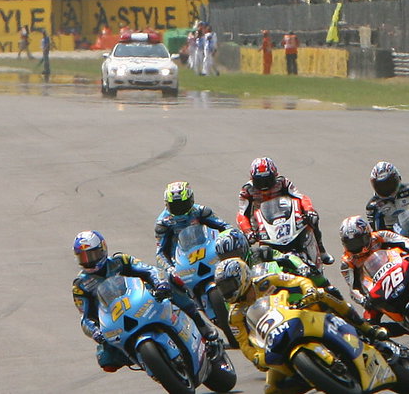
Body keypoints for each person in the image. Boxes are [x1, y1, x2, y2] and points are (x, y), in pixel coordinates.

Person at [215, 257, 386, 394]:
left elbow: (296, 281)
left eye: (229, 285)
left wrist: (309, 290)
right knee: (270, 389)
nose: (227, 292)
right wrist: (255, 357)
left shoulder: (265, 281)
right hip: (275, 341)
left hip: (297, 315)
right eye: (223, 288)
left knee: (324, 294)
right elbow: (244, 343)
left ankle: (366, 328)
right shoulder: (235, 315)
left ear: (242, 277)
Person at [71, 230, 221, 373]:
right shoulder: (80, 285)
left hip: (141, 301)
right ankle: (147, 362)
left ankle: (200, 324)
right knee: (106, 361)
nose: (88, 261)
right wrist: (95, 332)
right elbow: (85, 318)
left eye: (92, 255)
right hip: (115, 320)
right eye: (83, 257)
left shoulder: (120, 261)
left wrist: (159, 283)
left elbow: (149, 270)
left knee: (170, 280)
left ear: (103, 249)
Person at [236, 156, 332, 264]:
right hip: (263, 224)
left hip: (287, 217)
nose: (264, 186)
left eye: (267, 180)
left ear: (275, 175)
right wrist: (248, 231)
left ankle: (321, 250)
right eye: (260, 181)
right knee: (243, 242)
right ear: (252, 179)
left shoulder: (282, 182)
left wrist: (309, 210)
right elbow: (241, 214)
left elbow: (300, 197)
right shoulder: (247, 190)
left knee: (313, 218)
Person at [154, 181, 243, 273]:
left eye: (182, 204)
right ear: (167, 204)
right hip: (182, 264)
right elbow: (160, 253)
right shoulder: (163, 223)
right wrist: (170, 269)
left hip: (208, 253)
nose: (179, 208)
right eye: (175, 206)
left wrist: (234, 237)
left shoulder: (201, 211)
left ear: (191, 200)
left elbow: (225, 226)